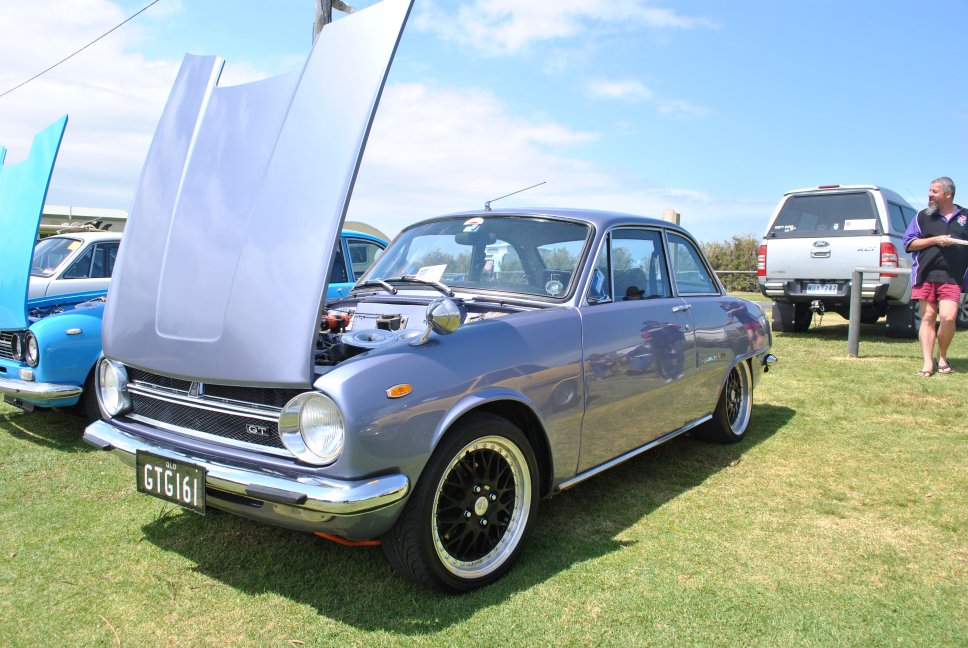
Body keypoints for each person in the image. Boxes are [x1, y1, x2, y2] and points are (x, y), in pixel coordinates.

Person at [902, 177, 968, 376]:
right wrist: (935, 240)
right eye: (929, 191)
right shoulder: (923, 216)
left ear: (948, 194)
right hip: (926, 274)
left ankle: (942, 356)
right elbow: (909, 243)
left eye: (934, 191)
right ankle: (927, 363)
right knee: (928, 317)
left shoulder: (965, 217)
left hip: (953, 276)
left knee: (948, 317)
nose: (930, 195)